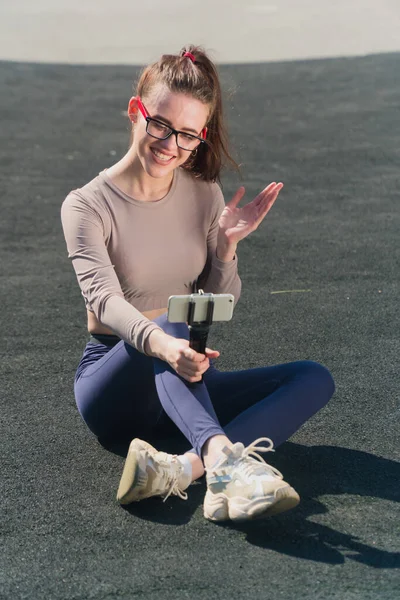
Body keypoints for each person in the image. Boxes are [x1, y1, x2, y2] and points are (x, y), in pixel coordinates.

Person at [61, 45, 335, 523]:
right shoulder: (86, 205)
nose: (171, 144)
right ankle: (224, 462)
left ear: (200, 136)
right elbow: (104, 301)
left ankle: (183, 469)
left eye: (187, 135)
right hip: (114, 385)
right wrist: (166, 345)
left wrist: (226, 248)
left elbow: (215, 302)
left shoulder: (202, 192)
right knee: (171, 320)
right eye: (161, 125)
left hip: (180, 377)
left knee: (312, 378)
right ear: (135, 112)